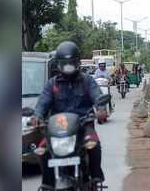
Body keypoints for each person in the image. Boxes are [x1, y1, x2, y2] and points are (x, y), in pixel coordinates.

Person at [34, 41, 108, 189]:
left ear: (77, 62)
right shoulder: (52, 84)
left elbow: (97, 96)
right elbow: (42, 103)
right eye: (64, 63)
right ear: (59, 64)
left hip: (83, 125)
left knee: (94, 145)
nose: (68, 66)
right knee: (42, 149)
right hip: (57, 128)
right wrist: (37, 117)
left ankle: (95, 178)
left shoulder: (87, 81)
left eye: (71, 63)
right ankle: (47, 184)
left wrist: (101, 109)